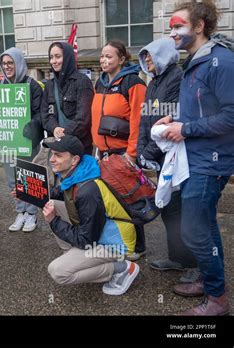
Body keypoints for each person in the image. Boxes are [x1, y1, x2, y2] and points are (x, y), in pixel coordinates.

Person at [156, 0, 234, 315]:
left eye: (178, 26)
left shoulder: (223, 62)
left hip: (210, 162)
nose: (172, 32)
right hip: (195, 159)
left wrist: (185, 128)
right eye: (172, 26)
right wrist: (172, 119)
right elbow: (205, 107)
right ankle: (208, 280)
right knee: (205, 225)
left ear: (199, 26)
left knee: (193, 229)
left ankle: (217, 300)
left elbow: (231, 117)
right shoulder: (194, 62)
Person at [41, 135, 139, 295]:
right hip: (94, 233)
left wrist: (53, 221)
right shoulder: (80, 171)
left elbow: (86, 239)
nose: (52, 159)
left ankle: (122, 268)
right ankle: (74, 255)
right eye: (52, 154)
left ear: (74, 160)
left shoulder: (88, 191)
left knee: (58, 271)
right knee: (50, 204)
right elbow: (58, 194)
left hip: (114, 245)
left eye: (58, 155)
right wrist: (26, 192)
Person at [136, 37, 199, 284]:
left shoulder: (177, 78)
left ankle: (194, 263)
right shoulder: (153, 82)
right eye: (145, 57)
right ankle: (178, 258)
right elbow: (145, 120)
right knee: (169, 209)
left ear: (163, 55)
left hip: (175, 157)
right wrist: (142, 149)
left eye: (150, 55)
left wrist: (147, 152)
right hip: (160, 157)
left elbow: (167, 123)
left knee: (183, 212)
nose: (147, 60)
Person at [91, 40, 147, 261]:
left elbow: (138, 122)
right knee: (112, 202)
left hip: (123, 153)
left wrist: (131, 154)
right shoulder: (100, 83)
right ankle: (120, 242)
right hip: (103, 153)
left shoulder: (133, 83)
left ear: (122, 59)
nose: (104, 60)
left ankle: (138, 246)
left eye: (109, 56)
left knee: (130, 201)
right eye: (102, 56)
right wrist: (96, 148)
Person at [0, 47, 44, 232]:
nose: (7, 66)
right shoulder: (0, 87)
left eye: (11, 63)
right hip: (8, 143)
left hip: (27, 142)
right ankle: (20, 211)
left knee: (29, 177)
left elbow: (40, 113)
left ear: (19, 63)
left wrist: (31, 126)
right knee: (12, 180)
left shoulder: (32, 85)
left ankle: (32, 214)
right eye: (4, 63)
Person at [41, 41, 94, 154]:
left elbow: (84, 118)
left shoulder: (82, 82)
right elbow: (45, 114)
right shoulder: (49, 85)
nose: (53, 61)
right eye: (51, 57)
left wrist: (65, 132)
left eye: (58, 57)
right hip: (56, 148)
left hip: (79, 147)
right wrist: (54, 128)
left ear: (68, 57)